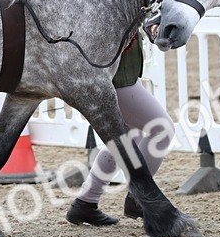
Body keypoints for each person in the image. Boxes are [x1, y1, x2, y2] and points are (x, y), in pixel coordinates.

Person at [65, 33, 174, 226]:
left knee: (128, 135)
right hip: (116, 78)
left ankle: (86, 203)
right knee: (161, 129)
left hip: (122, 75)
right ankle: (138, 197)